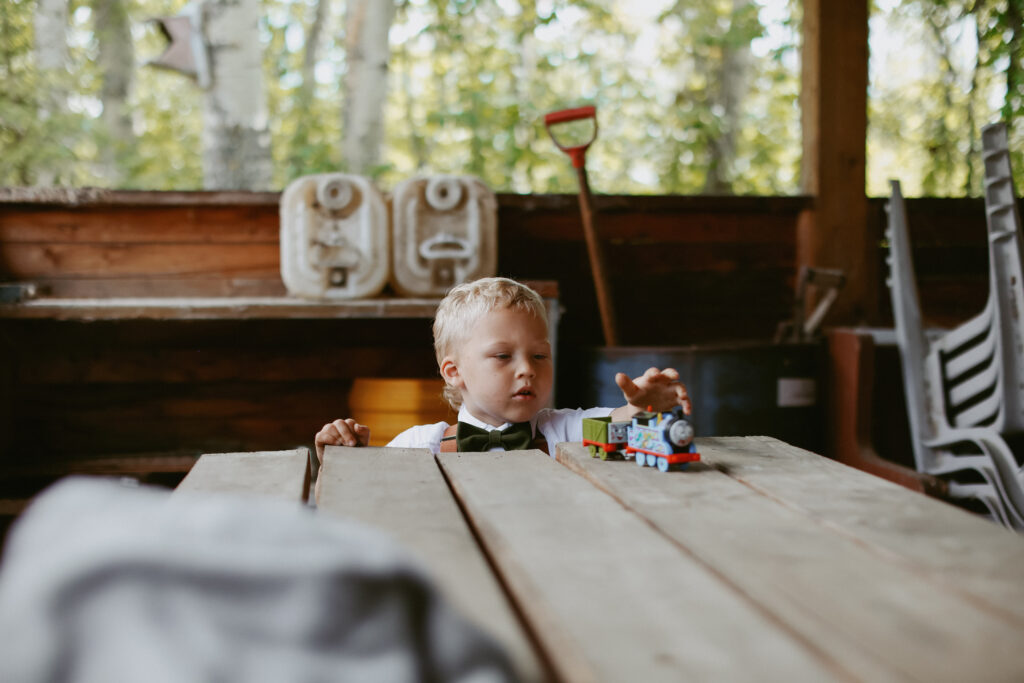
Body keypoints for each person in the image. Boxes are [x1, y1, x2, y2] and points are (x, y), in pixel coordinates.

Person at [315, 277, 690, 459]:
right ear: (453, 371)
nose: (527, 369)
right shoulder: (420, 444)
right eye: (503, 356)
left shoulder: (562, 430)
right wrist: (349, 455)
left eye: (539, 356)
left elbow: (616, 424)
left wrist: (641, 408)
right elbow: (372, 491)